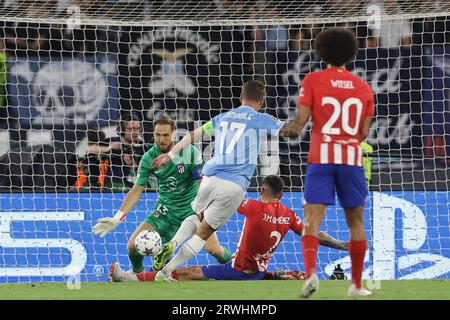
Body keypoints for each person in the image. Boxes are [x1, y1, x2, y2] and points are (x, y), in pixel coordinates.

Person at [150, 80, 304, 282]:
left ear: (241, 98)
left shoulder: (223, 117)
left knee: (197, 217)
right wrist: (305, 111)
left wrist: (169, 155)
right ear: (262, 101)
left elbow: (192, 136)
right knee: (204, 232)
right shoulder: (261, 118)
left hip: (210, 176)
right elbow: (291, 131)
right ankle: (166, 271)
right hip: (234, 184)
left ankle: (173, 242)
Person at [109, 175, 348, 282]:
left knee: (186, 273)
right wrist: (340, 244)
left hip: (240, 270)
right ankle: (329, 279)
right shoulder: (289, 215)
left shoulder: (252, 206)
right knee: (273, 274)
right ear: (282, 195)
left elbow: (228, 202)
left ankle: (128, 278)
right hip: (256, 269)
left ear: (262, 191)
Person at [293, 28, 375, 298]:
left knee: (312, 220)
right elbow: (362, 133)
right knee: (356, 223)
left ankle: (311, 274)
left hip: (321, 158)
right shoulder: (363, 88)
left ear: (322, 50)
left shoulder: (314, 80)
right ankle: (357, 285)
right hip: (351, 159)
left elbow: (300, 123)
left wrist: (284, 129)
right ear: (352, 53)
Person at [92, 115, 231, 273]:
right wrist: (117, 218)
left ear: (173, 134)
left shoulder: (190, 152)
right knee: (132, 246)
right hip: (165, 210)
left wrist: (205, 211)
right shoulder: (149, 158)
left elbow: (201, 184)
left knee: (215, 250)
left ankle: (237, 266)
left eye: (165, 135)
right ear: (153, 134)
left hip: (192, 210)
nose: (161, 139)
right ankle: (137, 273)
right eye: (158, 135)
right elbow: (136, 190)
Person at [85, 112, 145, 190]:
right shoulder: (112, 141)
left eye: (137, 129)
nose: (135, 132)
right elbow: (89, 149)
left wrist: (133, 163)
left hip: (134, 188)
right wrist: (108, 148)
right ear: (121, 129)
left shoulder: (142, 146)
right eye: (131, 129)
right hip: (111, 188)